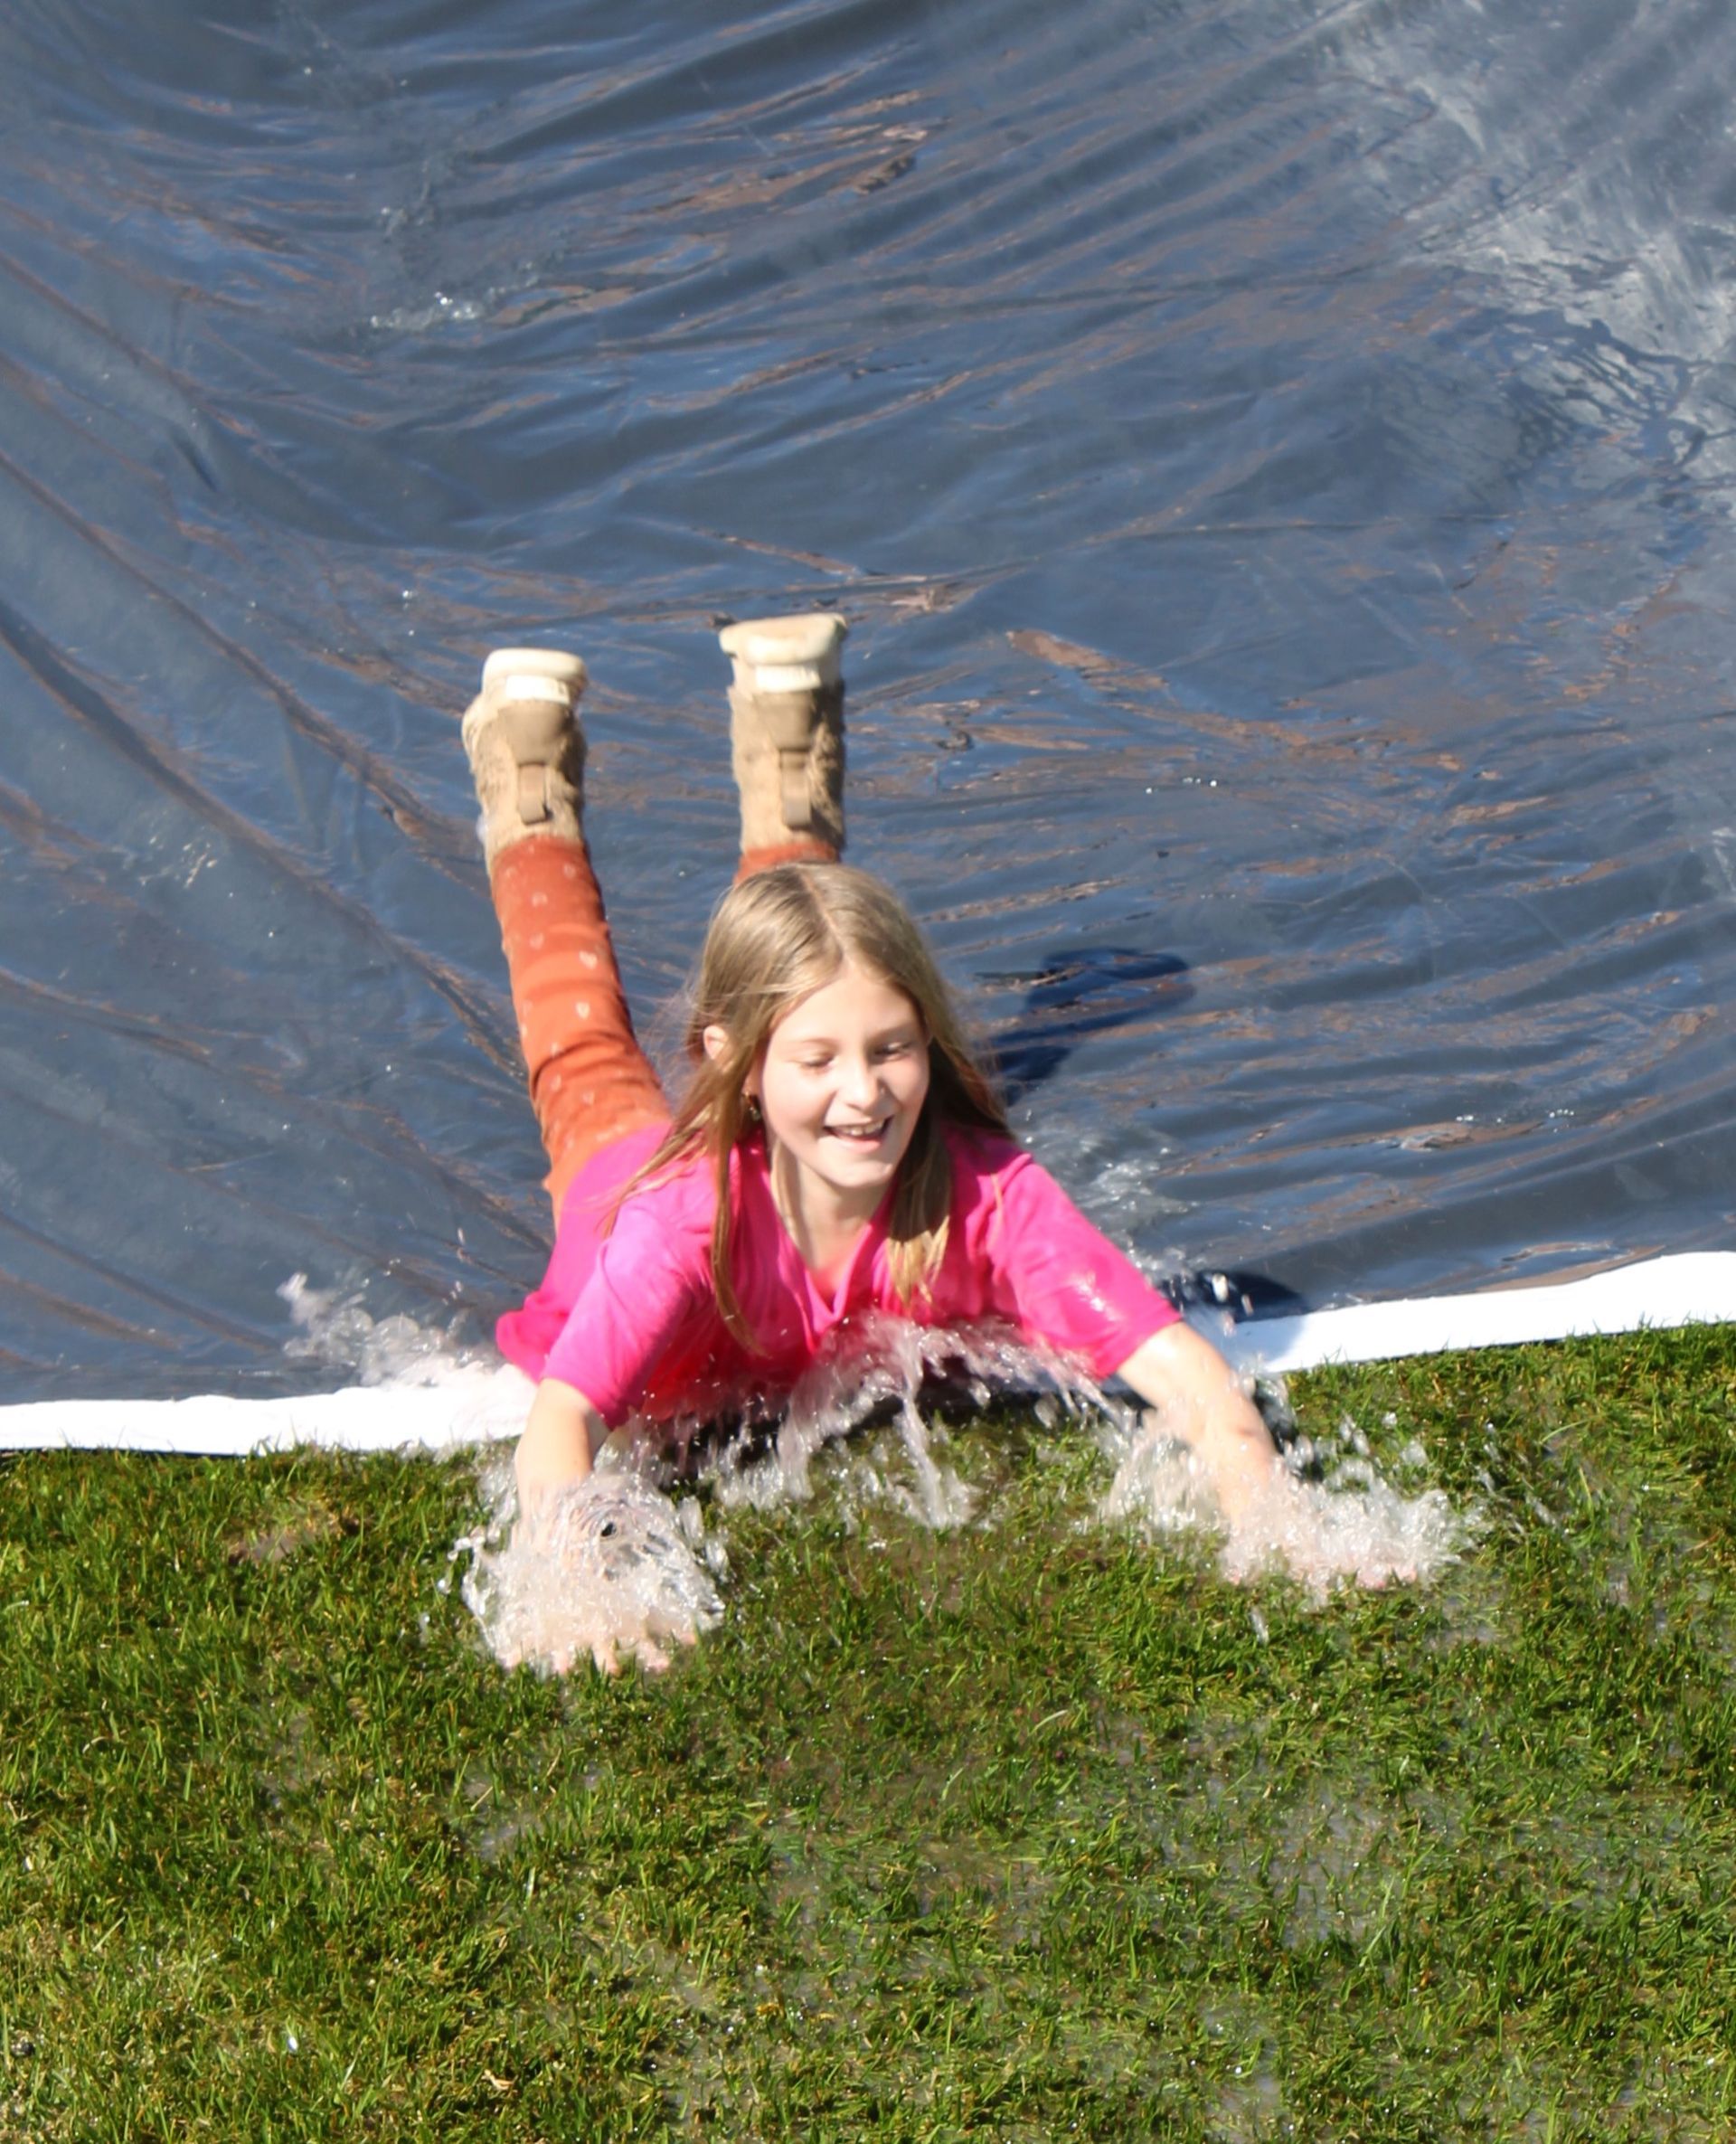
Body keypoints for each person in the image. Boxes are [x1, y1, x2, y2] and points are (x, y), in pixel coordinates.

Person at [459, 615, 1289, 1648]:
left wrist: (1273, 1516)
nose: (865, 1094)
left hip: (756, 1108)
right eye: (816, 1062)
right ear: (738, 1061)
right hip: (625, 1185)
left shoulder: (990, 1197)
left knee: (813, 948)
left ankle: (787, 725)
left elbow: (1184, 1372)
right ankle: (525, 768)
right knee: (582, 1046)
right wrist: (579, 1587)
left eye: (894, 1048)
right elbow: (562, 1425)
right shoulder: (680, 1222)